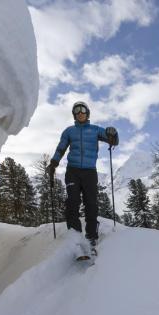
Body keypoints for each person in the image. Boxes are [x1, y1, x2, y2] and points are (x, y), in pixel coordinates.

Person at [48, 101, 118, 256]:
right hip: (72, 171)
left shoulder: (95, 130)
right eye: (77, 111)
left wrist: (113, 134)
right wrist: (53, 163)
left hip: (90, 172)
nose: (80, 113)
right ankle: (75, 237)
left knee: (91, 204)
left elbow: (113, 140)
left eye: (83, 110)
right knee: (72, 202)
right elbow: (61, 148)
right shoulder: (69, 131)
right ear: (74, 114)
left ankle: (91, 236)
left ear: (87, 113)